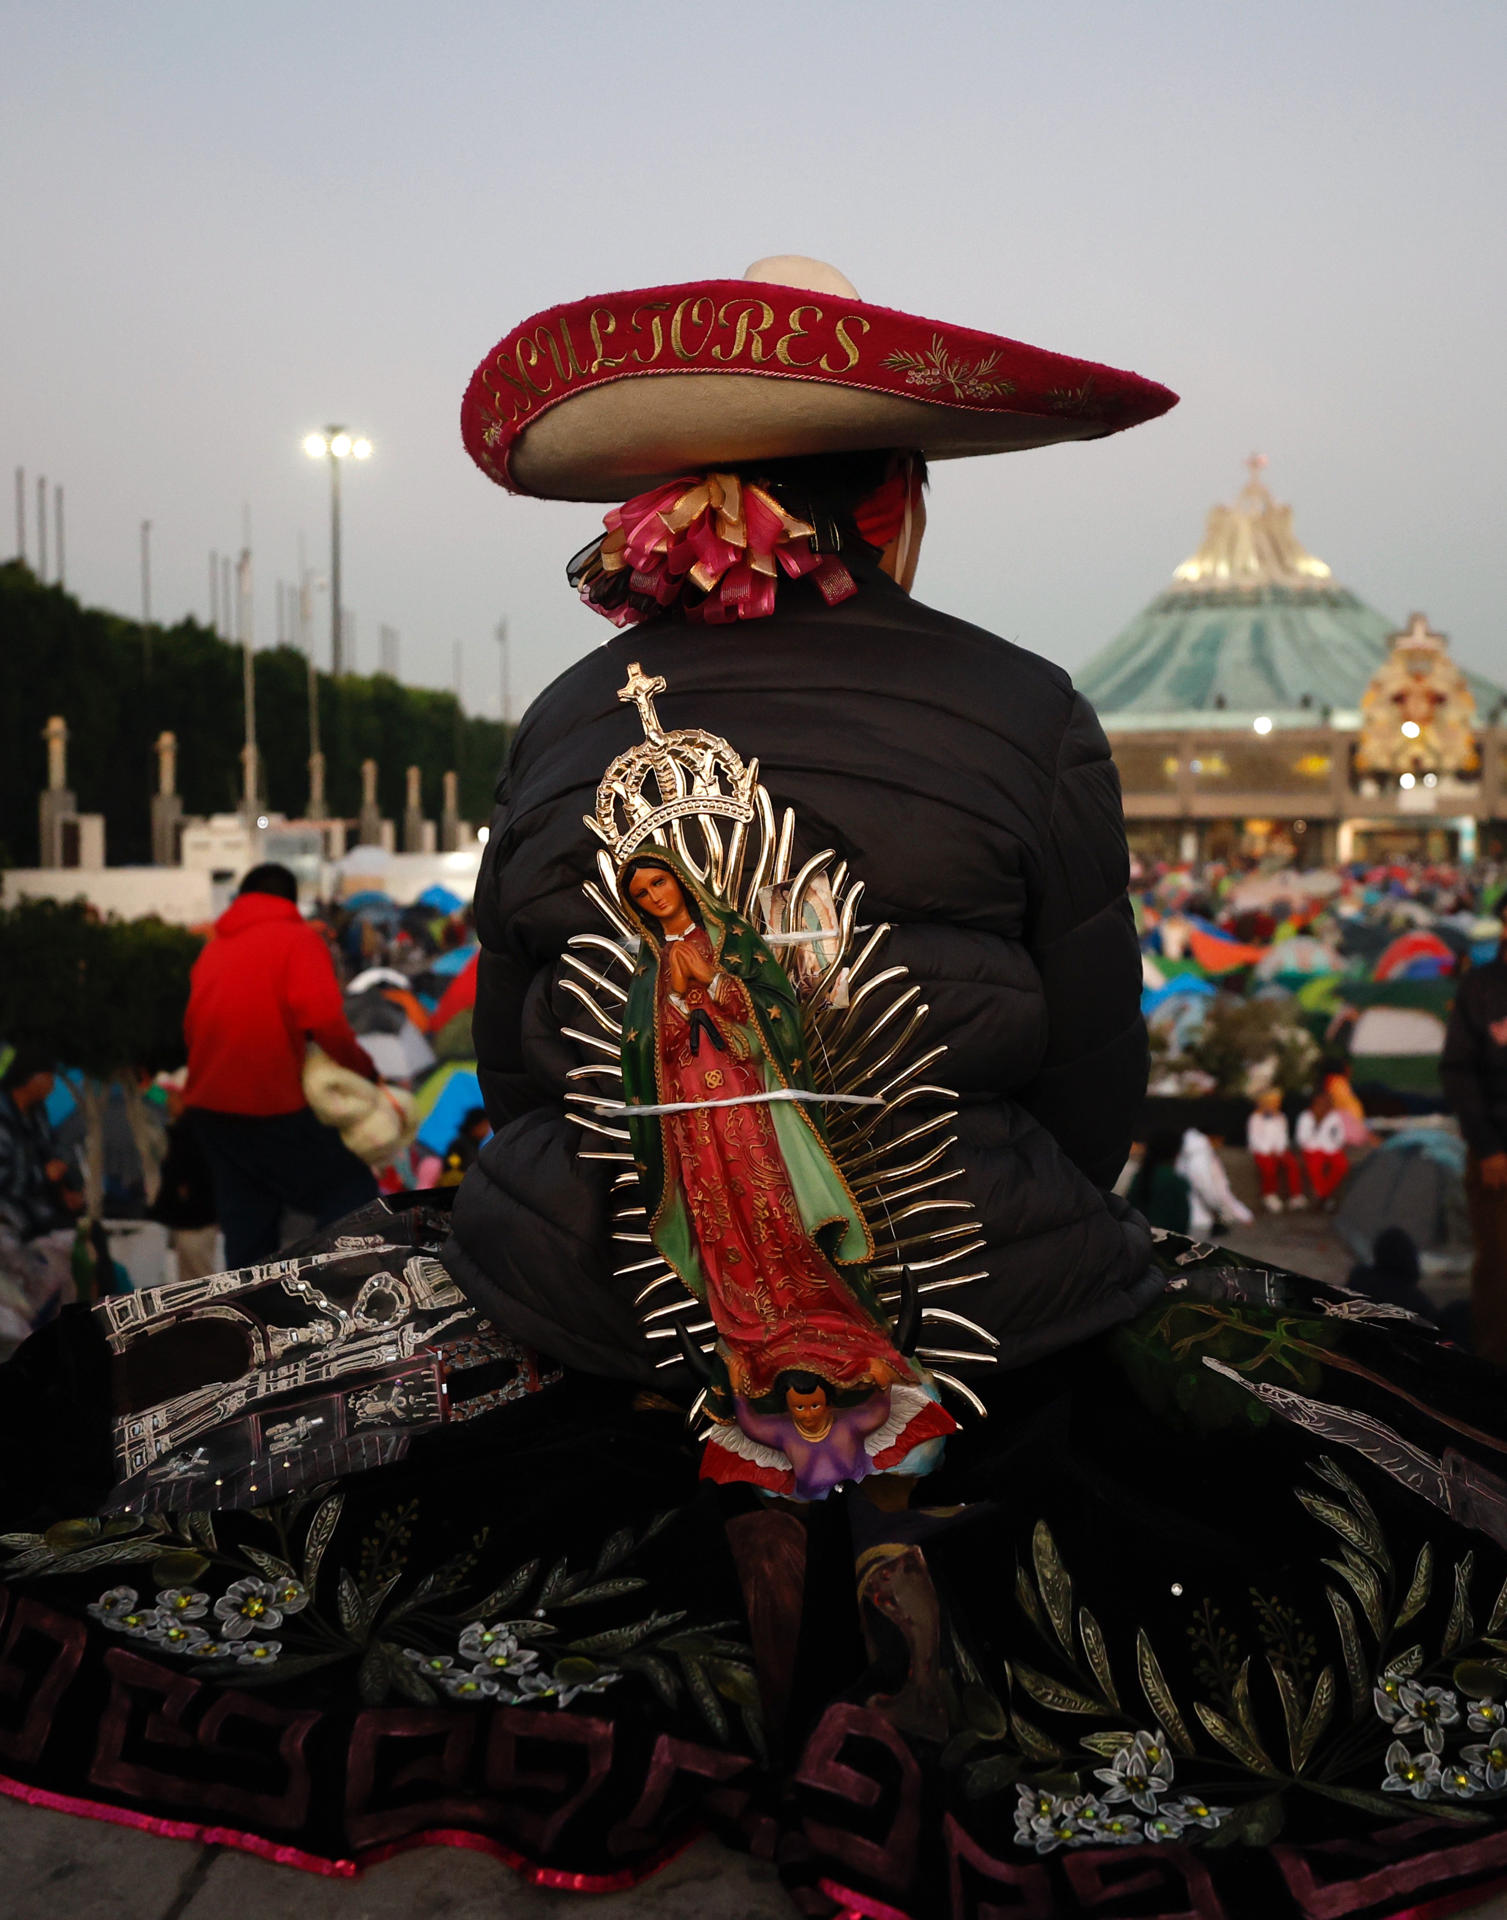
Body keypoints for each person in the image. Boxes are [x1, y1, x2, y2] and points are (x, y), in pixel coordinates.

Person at [182, 863, 380, 1268]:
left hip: (211, 1111)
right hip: (269, 1106)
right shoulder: (298, 940)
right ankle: (344, 1290)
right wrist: (364, 1070)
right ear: (291, 901)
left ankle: (249, 1321)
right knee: (350, 1191)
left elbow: (191, 1027)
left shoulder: (214, 948)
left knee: (248, 1226)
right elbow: (324, 1020)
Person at [1441, 896, 1507, 1361]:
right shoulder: (1482, 989)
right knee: (1500, 1272)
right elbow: (1459, 1071)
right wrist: (1486, 1148)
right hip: (1497, 1154)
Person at [0, 1052, 81, 1351]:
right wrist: (42, 1175)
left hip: (42, 1222)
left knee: (59, 1286)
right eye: (48, 1077)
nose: (51, 1085)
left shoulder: (38, 1114)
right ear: (30, 1077)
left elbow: (53, 1154)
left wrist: (66, 1188)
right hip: (10, 1225)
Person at [1246, 1085, 1305, 1211]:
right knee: (1268, 1168)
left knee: (1292, 1164)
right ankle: (1269, 1195)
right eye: (1270, 1103)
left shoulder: (1281, 1117)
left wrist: (1279, 1149)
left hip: (1278, 1150)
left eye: (1276, 1103)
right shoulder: (1255, 1118)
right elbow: (1254, 1138)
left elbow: (1283, 1136)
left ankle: (1295, 1195)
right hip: (1262, 1150)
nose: (1273, 1105)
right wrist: (1268, 1150)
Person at [1126, 1129, 1192, 1231]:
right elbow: (1181, 1222)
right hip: (1165, 1242)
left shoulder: (1140, 1176)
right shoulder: (1175, 1181)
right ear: (1176, 1152)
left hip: (1137, 1236)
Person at [1295, 1085, 1349, 1205]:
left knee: (1341, 1165)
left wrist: (1334, 1144)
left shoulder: (1334, 1117)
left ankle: (1323, 1194)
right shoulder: (1306, 1117)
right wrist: (1317, 1124)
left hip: (1331, 1148)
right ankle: (1322, 1195)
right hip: (1313, 1148)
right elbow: (1302, 1138)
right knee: (1315, 1166)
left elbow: (1339, 1135)